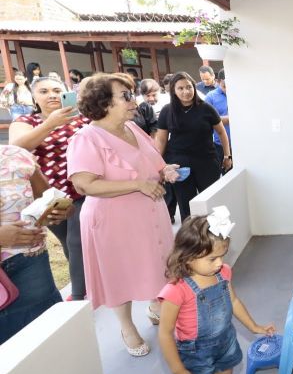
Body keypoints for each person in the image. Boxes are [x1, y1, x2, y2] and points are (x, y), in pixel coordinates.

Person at [67, 72, 180, 356]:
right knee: (120, 273)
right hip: (112, 221)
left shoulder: (135, 129)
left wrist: (164, 172)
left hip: (149, 214)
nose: (134, 101)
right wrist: (136, 184)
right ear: (103, 103)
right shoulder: (86, 138)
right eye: (126, 96)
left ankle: (156, 305)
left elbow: (154, 164)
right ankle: (127, 326)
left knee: (158, 262)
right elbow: (84, 184)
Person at [158, 210, 275, 374]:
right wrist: (179, 372)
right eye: (212, 258)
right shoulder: (176, 290)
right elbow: (164, 334)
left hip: (226, 344)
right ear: (187, 256)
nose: (220, 263)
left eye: (223, 255)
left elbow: (233, 300)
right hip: (195, 355)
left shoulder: (224, 273)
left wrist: (254, 326)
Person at [9, 75, 90, 301]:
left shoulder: (81, 119)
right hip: (47, 196)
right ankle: (88, 281)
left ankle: (78, 295)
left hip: (82, 191)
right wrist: (50, 124)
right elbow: (16, 149)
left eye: (57, 90)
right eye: (44, 91)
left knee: (78, 241)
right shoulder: (25, 121)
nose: (52, 95)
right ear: (34, 97)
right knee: (68, 243)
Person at [0, 145, 69, 344]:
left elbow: (46, 199)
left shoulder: (17, 156)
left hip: (29, 266)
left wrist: (59, 211)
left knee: (46, 340)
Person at [155, 72, 231, 222]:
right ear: (173, 91)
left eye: (189, 87)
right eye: (180, 88)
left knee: (211, 203)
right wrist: (159, 166)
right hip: (179, 165)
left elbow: (222, 132)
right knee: (186, 207)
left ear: (194, 88)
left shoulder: (206, 109)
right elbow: (162, 140)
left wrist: (227, 156)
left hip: (207, 162)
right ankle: (191, 242)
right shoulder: (167, 111)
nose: (186, 91)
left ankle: (215, 239)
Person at [204, 68, 230, 168]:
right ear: (218, 82)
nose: (228, 89)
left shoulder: (240, 94)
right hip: (220, 146)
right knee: (225, 173)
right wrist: (229, 119)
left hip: (240, 144)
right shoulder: (211, 97)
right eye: (225, 86)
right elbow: (207, 120)